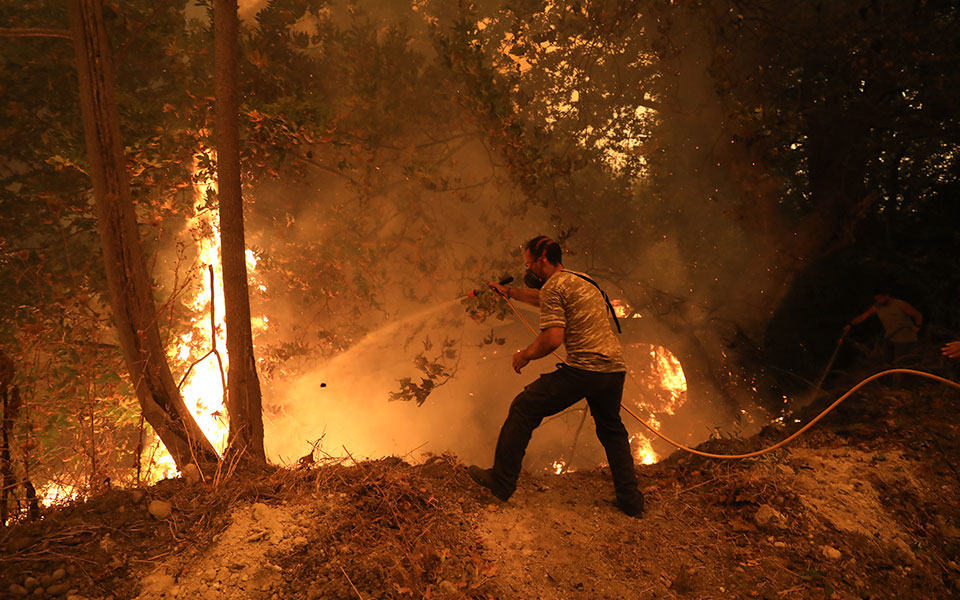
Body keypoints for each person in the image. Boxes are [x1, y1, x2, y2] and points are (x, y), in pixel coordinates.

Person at [467, 236, 644, 518]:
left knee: (524, 407)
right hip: (613, 368)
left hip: (585, 368)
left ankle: (500, 482)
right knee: (611, 430)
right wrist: (510, 293)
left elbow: (552, 339)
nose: (529, 271)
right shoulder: (579, 279)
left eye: (529, 264)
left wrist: (524, 354)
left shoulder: (553, 288)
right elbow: (543, 298)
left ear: (543, 259)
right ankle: (630, 500)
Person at [844, 291, 923, 365]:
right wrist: (851, 324)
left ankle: (901, 378)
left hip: (904, 338)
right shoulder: (877, 307)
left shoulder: (900, 304)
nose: (878, 301)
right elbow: (863, 316)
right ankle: (891, 377)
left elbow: (918, 315)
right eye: (877, 299)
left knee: (899, 363)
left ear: (886, 296)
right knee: (887, 361)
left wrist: (917, 326)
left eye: (880, 299)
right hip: (890, 337)